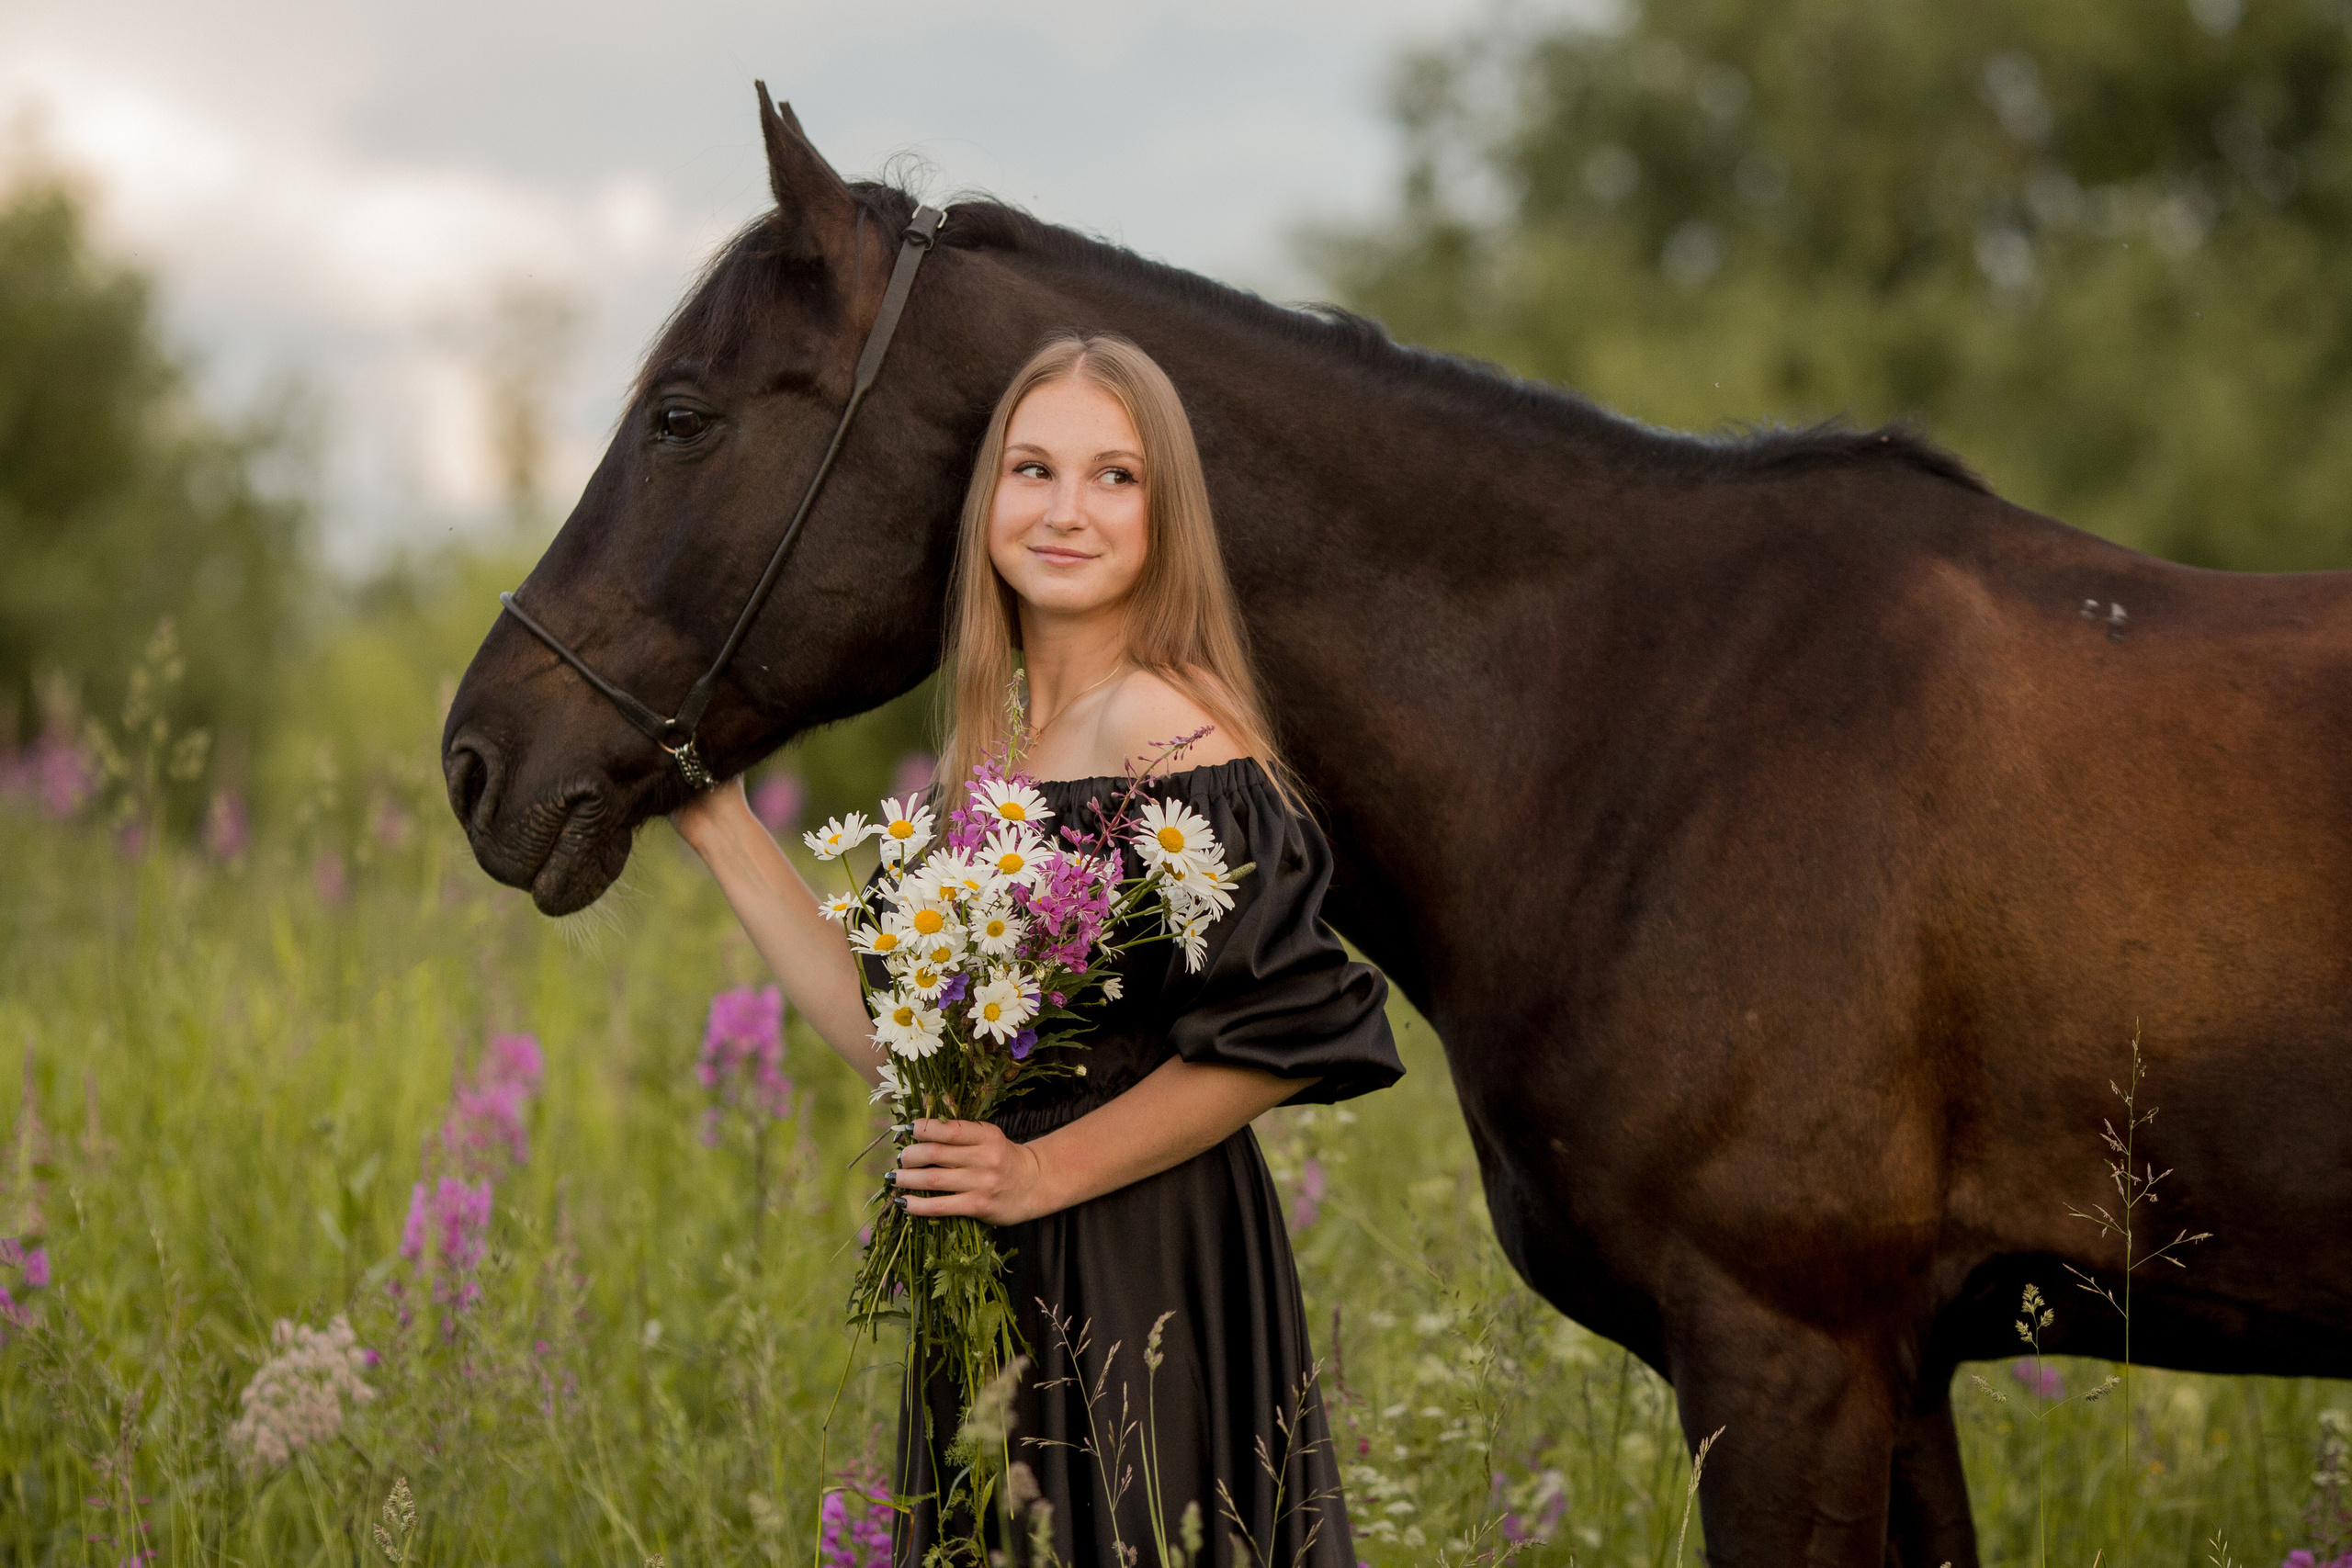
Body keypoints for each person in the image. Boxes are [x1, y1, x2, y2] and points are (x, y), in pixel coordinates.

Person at [672, 332, 1402, 1566]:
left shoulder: (1166, 728)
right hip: (1006, 1254)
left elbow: (1282, 1034)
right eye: (1034, 469)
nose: (1068, 510)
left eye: (1116, 476)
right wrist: (723, 829)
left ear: (1167, 519)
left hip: (1140, 1256)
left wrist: (1040, 1174)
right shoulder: (1000, 752)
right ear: (987, 499)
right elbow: (905, 1046)